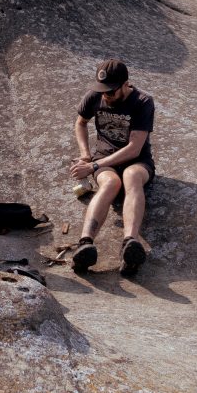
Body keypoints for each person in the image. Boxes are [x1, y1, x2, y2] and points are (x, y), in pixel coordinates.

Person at [68, 58, 155, 277]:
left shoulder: (142, 102)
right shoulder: (95, 96)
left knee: (131, 176)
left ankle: (130, 244)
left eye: (111, 91)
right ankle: (85, 243)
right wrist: (85, 154)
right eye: (103, 91)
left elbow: (135, 148)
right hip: (104, 158)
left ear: (126, 84)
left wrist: (93, 166)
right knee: (109, 183)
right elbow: (80, 122)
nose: (106, 95)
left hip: (137, 161)